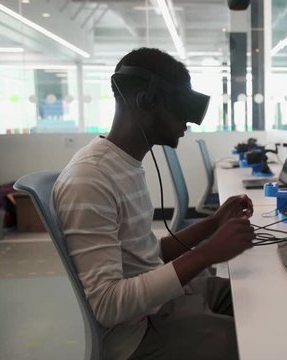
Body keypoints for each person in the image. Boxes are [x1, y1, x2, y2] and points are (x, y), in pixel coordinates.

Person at [53, 47, 254, 360]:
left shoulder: (125, 164)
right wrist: (208, 253)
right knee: (255, 344)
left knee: (261, 301)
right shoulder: (90, 178)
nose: (189, 120)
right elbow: (107, 305)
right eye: (180, 104)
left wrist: (214, 224)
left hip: (167, 305)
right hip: (139, 335)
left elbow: (147, 257)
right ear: (145, 100)